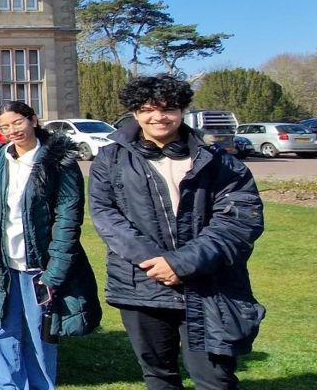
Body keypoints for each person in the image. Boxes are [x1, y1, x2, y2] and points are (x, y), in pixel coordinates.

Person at [90, 75, 265, 390]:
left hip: (208, 283)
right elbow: (106, 215)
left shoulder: (219, 162)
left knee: (215, 379)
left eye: (169, 108)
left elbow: (239, 221)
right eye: (147, 109)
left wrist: (181, 264)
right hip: (141, 285)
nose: (158, 117)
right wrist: (157, 263)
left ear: (183, 110)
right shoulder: (109, 158)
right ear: (134, 112)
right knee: (159, 376)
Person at [0, 101, 101, 390]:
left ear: (33, 120)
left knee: (40, 339)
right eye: (5, 126)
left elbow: (67, 220)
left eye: (17, 122)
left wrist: (54, 273)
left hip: (38, 269)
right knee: (3, 334)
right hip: (4, 267)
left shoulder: (57, 161)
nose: (12, 131)